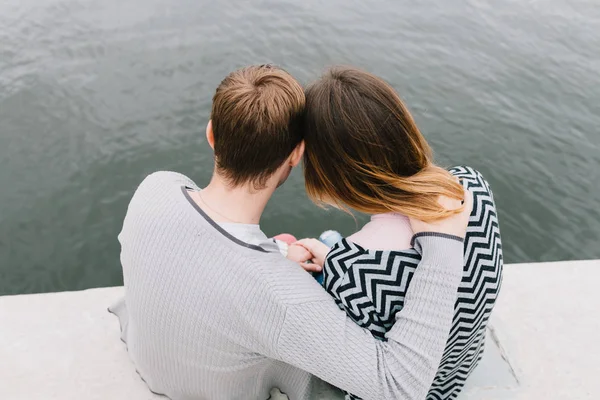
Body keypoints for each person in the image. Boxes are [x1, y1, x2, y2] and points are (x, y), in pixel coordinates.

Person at [109, 64, 473, 400]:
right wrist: (442, 247)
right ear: (296, 155)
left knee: (286, 245)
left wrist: (279, 256)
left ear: (211, 134)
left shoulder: (155, 188)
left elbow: (207, 246)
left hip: (149, 359)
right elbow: (399, 386)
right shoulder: (281, 296)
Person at [295, 67, 503, 400]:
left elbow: (364, 380)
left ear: (332, 170)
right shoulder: (472, 185)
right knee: (333, 246)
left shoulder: (353, 272)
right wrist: (339, 261)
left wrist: (330, 271)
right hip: (453, 376)